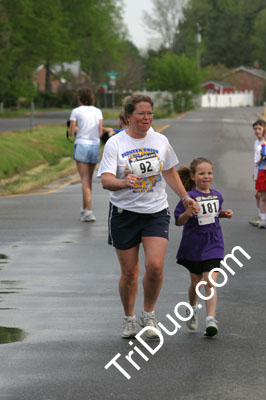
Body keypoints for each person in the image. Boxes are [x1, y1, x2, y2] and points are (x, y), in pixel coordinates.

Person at [97, 94, 199, 339]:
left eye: (150, 113)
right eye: (141, 114)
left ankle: (149, 314)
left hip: (155, 211)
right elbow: (106, 179)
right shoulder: (116, 143)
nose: (146, 118)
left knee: (154, 266)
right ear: (129, 116)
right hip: (124, 214)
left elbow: (169, 170)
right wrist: (122, 183)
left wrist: (185, 197)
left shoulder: (160, 140)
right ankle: (129, 318)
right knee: (130, 272)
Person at [174, 157, 233, 337]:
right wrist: (188, 212)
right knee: (195, 283)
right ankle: (192, 309)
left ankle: (211, 319)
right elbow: (178, 221)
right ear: (193, 176)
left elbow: (213, 215)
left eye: (209, 173)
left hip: (214, 244)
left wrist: (223, 214)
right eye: (201, 173)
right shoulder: (188, 197)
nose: (206, 176)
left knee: (210, 281)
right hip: (194, 246)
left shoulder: (217, 195)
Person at [69, 87, 103, 222]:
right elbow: (100, 132)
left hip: (81, 145)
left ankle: (89, 211)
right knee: (89, 179)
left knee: (84, 180)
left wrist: (76, 129)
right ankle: (84, 208)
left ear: (80, 98)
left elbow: (72, 132)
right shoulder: (97, 111)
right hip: (94, 145)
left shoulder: (76, 111)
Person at [249, 119, 266, 227]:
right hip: (259, 172)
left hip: (263, 171)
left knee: (262, 195)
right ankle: (261, 216)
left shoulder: (264, 142)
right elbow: (257, 160)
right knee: (257, 195)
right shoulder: (256, 142)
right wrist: (254, 173)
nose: (257, 131)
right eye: (255, 129)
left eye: (259, 128)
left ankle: (262, 218)